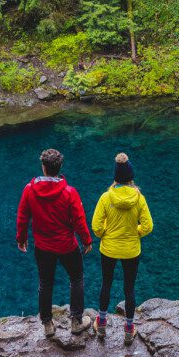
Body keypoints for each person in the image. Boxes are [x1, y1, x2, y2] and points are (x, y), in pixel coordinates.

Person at [16, 147, 93, 337]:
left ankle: (48, 325)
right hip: (67, 245)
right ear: (60, 167)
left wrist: (22, 238)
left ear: (43, 167)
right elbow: (79, 220)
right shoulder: (69, 192)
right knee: (76, 278)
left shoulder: (29, 189)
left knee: (45, 283)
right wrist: (86, 240)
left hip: (42, 247)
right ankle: (76, 321)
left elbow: (22, 217)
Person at [91, 152, 153, 346]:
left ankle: (101, 324)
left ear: (115, 178)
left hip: (108, 248)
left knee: (106, 284)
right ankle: (128, 329)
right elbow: (148, 226)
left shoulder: (105, 197)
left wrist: (106, 234)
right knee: (129, 289)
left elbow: (96, 226)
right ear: (131, 178)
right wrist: (135, 231)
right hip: (131, 250)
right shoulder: (139, 198)